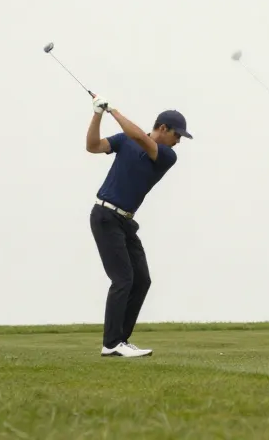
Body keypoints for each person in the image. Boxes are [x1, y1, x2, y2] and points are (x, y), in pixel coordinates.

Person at [86, 95, 191, 358]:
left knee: (141, 280)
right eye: (177, 135)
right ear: (163, 128)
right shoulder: (124, 141)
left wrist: (114, 111)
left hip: (125, 222)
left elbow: (142, 139)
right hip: (105, 216)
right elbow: (93, 146)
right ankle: (111, 344)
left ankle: (120, 340)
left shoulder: (167, 155)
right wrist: (98, 114)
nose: (178, 141)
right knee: (122, 279)